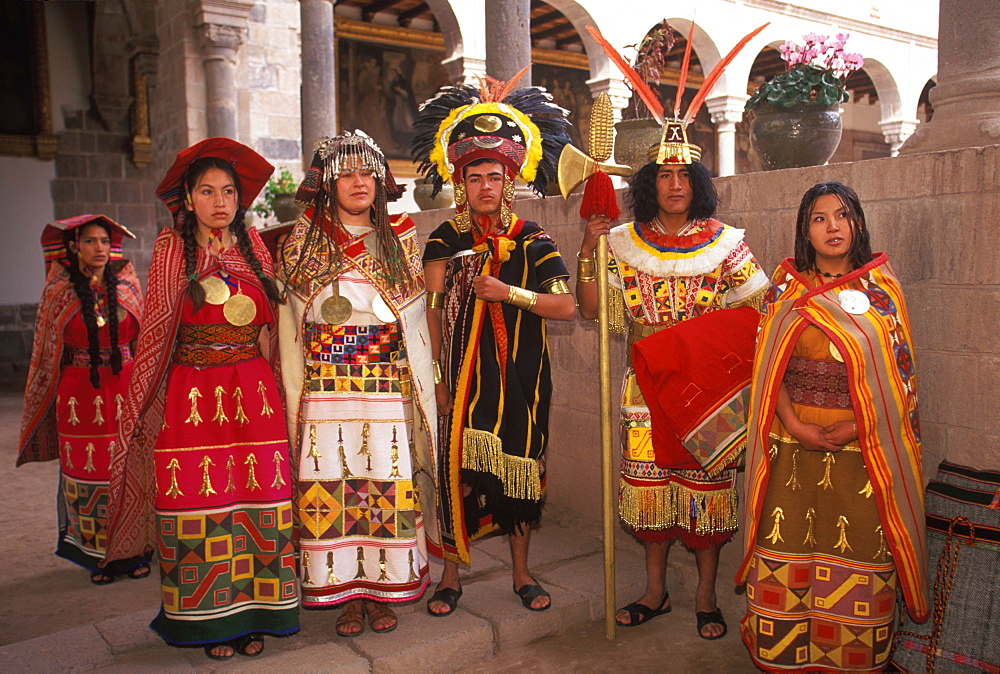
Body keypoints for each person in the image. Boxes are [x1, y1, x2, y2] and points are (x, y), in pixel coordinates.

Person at [103, 138, 299, 660]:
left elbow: (270, 326)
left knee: (259, 502)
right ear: (188, 198)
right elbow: (159, 331)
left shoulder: (256, 248)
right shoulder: (171, 250)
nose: (220, 201)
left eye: (228, 191)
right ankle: (209, 621)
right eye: (207, 191)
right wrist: (145, 403)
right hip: (194, 394)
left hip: (253, 395)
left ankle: (258, 612)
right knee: (199, 502)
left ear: (239, 199)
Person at [578, 122, 768, 639]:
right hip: (644, 388)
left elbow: (760, 309)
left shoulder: (727, 244)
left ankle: (707, 597)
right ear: (649, 184)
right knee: (649, 490)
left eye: (684, 174)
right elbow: (591, 309)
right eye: (664, 174)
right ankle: (655, 591)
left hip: (707, 389)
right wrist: (585, 250)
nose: (675, 184)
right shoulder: (619, 242)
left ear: (698, 183)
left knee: (704, 489)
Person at [736, 182, 929, 670]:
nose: (832, 227)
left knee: (860, 554)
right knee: (787, 552)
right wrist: (795, 423)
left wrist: (860, 428)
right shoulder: (785, 289)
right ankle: (785, 656)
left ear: (858, 223)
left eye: (841, 216)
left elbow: (897, 379)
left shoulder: (880, 290)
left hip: (863, 454)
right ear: (806, 230)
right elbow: (765, 369)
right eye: (819, 219)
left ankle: (852, 659)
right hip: (791, 445)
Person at [412, 75, 575, 615]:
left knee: (520, 473)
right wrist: (436, 378)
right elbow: (431, 315)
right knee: (457, 471)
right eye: (475, 176)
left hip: (522, 379)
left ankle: (523, 574)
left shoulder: (534, 238)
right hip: (461, 379)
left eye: (496, 176)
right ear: (461, 182)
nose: (486, 185)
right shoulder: (444, 239)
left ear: (511, 180)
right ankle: (452, 575)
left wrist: (510, 292)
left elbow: (567, 307)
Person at [277, 131, 439, 637]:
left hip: (386, 388)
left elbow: (413, 320)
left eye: (366, 172)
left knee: (385, 486)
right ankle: (345, 594)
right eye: (346, 173)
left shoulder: (402, 236)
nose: (358, 182)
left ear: (380, 180)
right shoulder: (302, 240)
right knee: (332, 489)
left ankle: (380, 590)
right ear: (328, 182)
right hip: (325, 390)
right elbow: (290, 324)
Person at [18, 214, 149, 584]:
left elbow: (143, 337)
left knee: (130, 469)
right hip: (78, 393)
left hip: (124, 385)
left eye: (105, 242)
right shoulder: (58, 290)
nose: (100, 249)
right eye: (91, 241)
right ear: (75, 246)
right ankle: (98, 555)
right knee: (88, 474)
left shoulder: (126, 284)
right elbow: (45, 351)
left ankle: (135, 550)